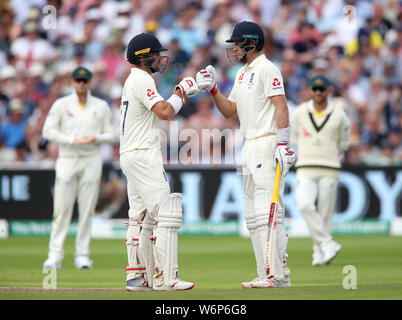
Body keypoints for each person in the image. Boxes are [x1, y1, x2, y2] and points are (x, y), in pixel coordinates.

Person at [195, 21, 296, 288]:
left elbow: (281, 106)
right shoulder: (242, 74)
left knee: (269, 211)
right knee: (253, 216)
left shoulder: (267, 68)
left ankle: (279, 274)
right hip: (248, 144)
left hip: (266, 142)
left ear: (251, 43)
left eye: (238, 44)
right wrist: (214, 89)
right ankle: (265, 273)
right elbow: (230, 111)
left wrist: (283, 143)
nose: (235, 49)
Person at [120, 33, 197, 291]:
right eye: (154, 54)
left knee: (141, 218)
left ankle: (137, 277)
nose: (159, 59)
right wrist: (180, 91)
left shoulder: (136, 79)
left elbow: (163, 108)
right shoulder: (142, 79)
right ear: (143, 57)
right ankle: (167, 278)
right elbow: (164, 112)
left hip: (131, 153)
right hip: (142, 154)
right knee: (167, 213)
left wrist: (179, 94)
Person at [42, 66, 114, 269]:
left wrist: (95, 138)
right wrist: (71, 140)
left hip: (91, 159)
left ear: (89, 82)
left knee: (87, 209)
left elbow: (110, 134)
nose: (81, 84)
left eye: (84, 81)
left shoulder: (100, 106)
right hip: (67, 158)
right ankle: (55, 254)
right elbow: (47, 131)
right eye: (78, 80)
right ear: (73, 82)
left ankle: (82, 254)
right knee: (61, 209)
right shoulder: (62, 104)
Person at [290, 75, 350, 266]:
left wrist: (330, 154)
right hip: (306, 167)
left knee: (325, 212)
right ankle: (327, 243)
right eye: (314, 89)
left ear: (328, 90)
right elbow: (294, 138)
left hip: (330, 167)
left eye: (321, 89)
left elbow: (344, 143)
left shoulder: (339, 114)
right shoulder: (300, 112)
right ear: (309, 90)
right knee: (305, 205)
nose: (318, 93)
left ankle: (319, 253)